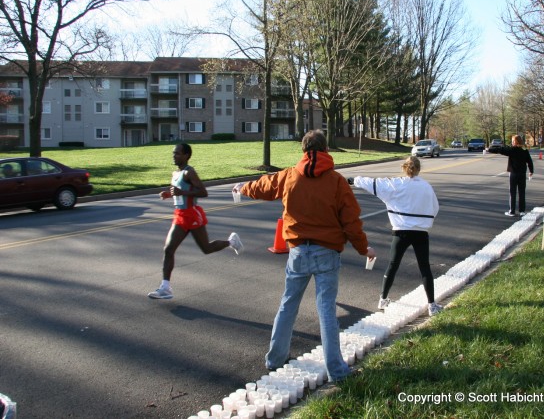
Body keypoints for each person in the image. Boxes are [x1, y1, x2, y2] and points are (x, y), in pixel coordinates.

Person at [231, 130, 376, 382]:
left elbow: (264, 186)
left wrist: (243, 187)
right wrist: (364, 249)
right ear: (326, 150)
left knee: (288, 305)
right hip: (327, 253)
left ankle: (275, 359)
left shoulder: (289, 175)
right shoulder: (337, 182)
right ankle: (337, 372)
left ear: (303, 149)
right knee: (326, 310)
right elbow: (351, 223)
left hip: (297, 252)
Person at [148, 143, 243, 300]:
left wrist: (181, 192)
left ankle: (231, 242)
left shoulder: (189, 172)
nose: (174, 156)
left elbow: (203, 192)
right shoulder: (176, 173)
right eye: (173, 153)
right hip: (180, 215)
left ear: (186, 155)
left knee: (206, 248)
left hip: (192, 214)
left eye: (178, 153)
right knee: (168, 249)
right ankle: (165, 287)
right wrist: (168, 194)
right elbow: (178, 192)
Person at [350, 156, 443, 316]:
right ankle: (432, 305)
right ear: (419, 169)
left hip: (401, 231)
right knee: (425, 268)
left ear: (404, 168)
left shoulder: (394, 184)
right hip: (421, 232)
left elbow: (372, 183)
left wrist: (353, 180)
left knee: (393, 265)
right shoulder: (426, 187)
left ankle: (383, 299)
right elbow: (435, 208)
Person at [488, 134, 534, 217]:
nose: (512, 143)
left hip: (513, 173)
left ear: (515, 142)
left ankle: (512, 211)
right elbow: (529, 161)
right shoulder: (524, 150)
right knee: (522, 192)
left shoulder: (512, 150)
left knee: (512, 193)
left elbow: (500, 150)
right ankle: (522, 211)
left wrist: (489, 149)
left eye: (513, 141)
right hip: (522, 173)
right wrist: (531, 171)